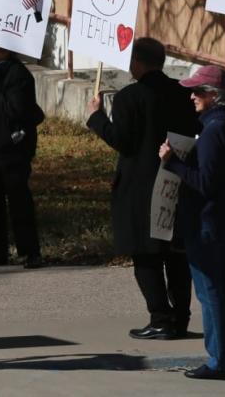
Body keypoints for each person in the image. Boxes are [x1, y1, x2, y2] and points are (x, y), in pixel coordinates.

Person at [85, 37, 200, 340]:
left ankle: (160, 318)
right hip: (176, 179)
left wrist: (96, 117)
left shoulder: (129, 97)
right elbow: (194, 128)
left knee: (146, 254)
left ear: (137, 62)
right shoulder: (183, 93)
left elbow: (122, 140)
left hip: (140, 185)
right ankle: (180, 318)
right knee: (175, 254)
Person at [160, 65, 225, 380]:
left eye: (197, 91)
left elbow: (205, 182)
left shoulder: (215, 130)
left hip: (207, 222)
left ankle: (220, 361)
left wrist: (173, 163)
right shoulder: (222, 125)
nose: (192, 96)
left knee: (212, 292)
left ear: (213, 95)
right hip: (217, 220)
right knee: (219, 290)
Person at [0, 44, 45, 269]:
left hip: (13, 149)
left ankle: (31, 251)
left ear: (2, 50)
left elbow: (15, 109)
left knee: (19, 202)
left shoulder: (18, 75)